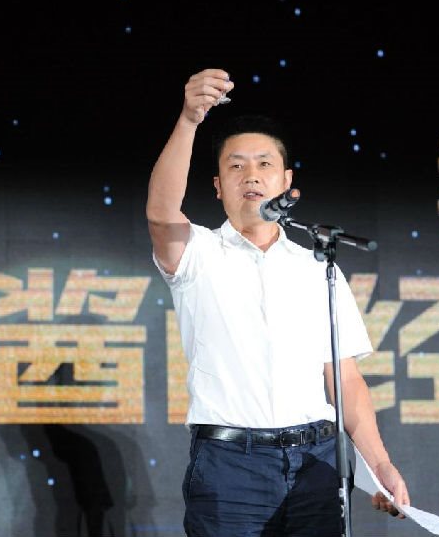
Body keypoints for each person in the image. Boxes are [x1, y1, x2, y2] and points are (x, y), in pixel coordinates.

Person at [147, 68, 409, 536]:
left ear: (287, 182)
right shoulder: (197, 254)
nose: (251, 175)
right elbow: (161, 212)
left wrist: (380, 463)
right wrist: (189, 120)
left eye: (264, 164)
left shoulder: (318, 267)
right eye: (236, 166)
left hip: (317, 463)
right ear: (217, 186)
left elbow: (345, 380)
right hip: (230, 468)